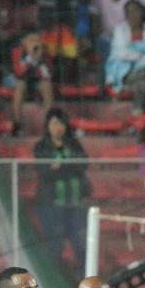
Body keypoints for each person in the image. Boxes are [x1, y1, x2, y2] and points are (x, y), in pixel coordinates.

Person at [33, 107, 92, 268]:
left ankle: (83, 277)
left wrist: (60, 165)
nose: (58, 127)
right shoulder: (41, 147)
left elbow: (82, 164)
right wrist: (65, 165)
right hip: (51, 205)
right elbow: (45, 171)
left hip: (76, 204)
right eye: (54, 124)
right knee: (55, 244)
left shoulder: (74, 145)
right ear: (48, 126)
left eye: (61, 123)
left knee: (81, 244)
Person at [106, 0, 145, 114]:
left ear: (142, 13)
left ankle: (138, 110)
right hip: (124, 73)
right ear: (126, 15)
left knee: (142, 78)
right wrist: (142, 55)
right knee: (143, 78)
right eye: (130, 12)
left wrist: (134, 54)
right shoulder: (120, 30)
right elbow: (121, 53)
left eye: (136, 11)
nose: (134, 15)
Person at [10, 30, 55, 132]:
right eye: (31, 40)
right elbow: (19, 72)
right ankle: (17, 122)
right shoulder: (17, 51)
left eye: (37, 40)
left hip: (37, 79)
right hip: (19, 78)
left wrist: (39, 58)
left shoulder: (45, 52)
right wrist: (30, 57)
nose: (35, 43)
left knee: (47, 86)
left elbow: (47, 75)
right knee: (19, 86)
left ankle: (50, 123)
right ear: (24, 42)